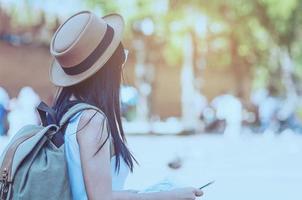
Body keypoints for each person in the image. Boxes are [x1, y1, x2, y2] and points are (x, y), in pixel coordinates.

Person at [49, 11, 203, 200]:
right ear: (108, 68)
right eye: (122, 57)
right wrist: (171, 196)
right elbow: (100, 198)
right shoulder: (91, 120)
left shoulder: (64, 113)